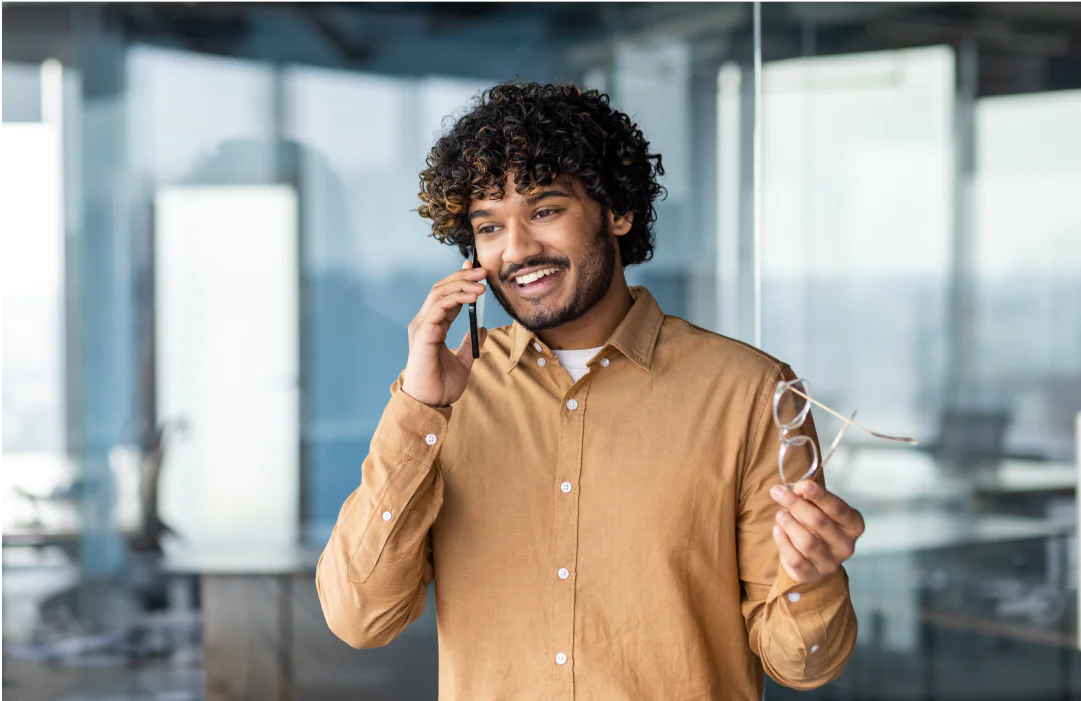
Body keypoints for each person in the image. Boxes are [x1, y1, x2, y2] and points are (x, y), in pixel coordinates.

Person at [316, 81, 862, 700]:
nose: (516, 249)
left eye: (545, 211)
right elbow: (359, 618)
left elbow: (804, 666)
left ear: (617, 211)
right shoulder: (438, 402)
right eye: (488, 227)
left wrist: (813, 578)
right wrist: (420, 409)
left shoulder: (749, 392)